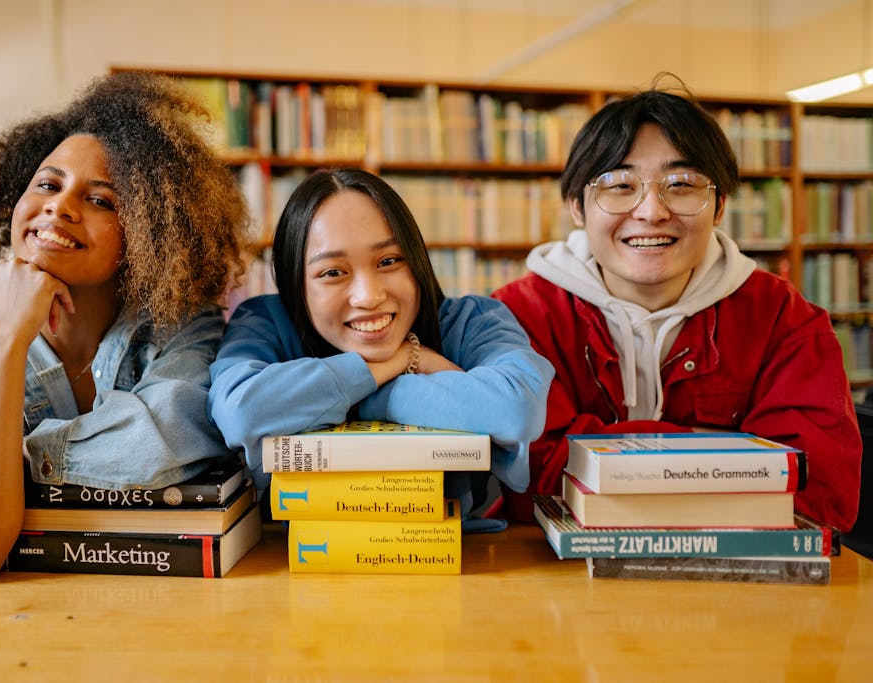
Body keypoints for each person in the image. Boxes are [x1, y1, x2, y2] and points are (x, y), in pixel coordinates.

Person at [0, 72, 250, 581]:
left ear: (148, 233)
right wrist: (5, 339)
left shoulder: (184, 330)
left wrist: (7, 466)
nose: (58, 205)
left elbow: (167, 435)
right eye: (48, 184)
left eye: (101, 201)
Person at [492, 78, 861, 531]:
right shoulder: (516, 318)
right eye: (619, 185)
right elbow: (522, 481)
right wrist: (716, 451)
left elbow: (815, 493)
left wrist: (602, 457)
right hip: (552, 583)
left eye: (681, 184)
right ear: (577, 207)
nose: (651, 210)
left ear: (719, 204)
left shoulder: (784, 320)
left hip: (739, 586)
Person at [208, 168, 554, 521]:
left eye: (388, 261)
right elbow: (240, 411)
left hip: (452, 558)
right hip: (285, 563)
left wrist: (370, 399)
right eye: (333, 272)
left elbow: (518, 409)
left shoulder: (471, 320)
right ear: (296, 283)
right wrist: (401, 360)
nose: (369, 296)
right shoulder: (265, 322)